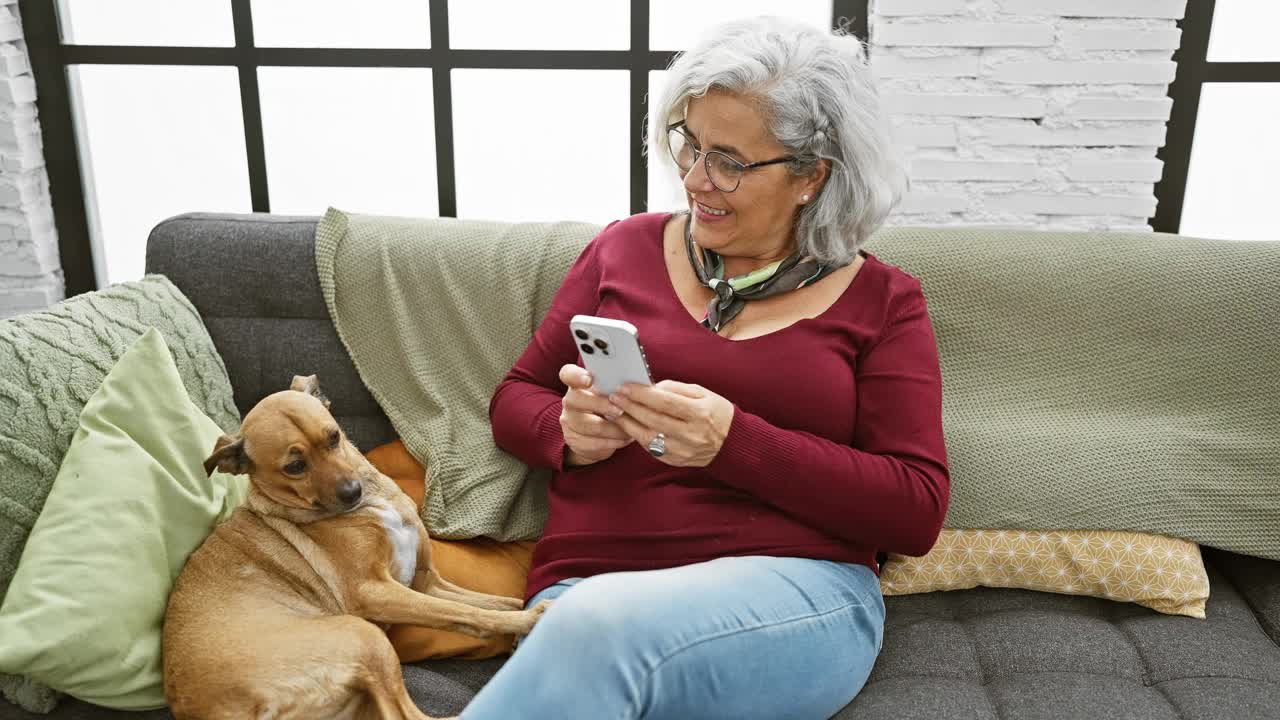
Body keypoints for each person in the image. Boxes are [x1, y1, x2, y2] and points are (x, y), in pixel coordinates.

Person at [462, 15, 949, 720]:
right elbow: (519, 396)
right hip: (587, 589)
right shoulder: (622, 248)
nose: (694, 180)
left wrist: (734, 445)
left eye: (729, 161)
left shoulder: (884, 302)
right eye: (688, 145)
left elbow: (915, 509)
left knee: (599, 634)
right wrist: (565, 432)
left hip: (795, 593)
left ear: (812, 176)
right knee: (594, 629)